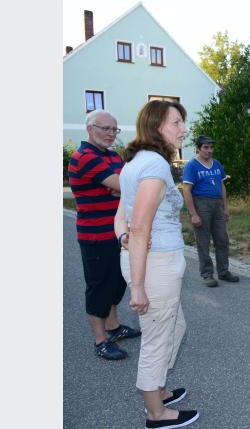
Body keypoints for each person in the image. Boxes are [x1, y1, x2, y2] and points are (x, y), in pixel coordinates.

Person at [115, 100, 199, 428]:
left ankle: (159, 389)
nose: (184, 129)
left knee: (174, 328)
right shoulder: (154, 166)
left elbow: (122, 217)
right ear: (156, 127)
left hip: (149, 260)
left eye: (182, 122)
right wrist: (136, 287)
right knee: (157, 337)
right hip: (155, 266)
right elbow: (139, 226)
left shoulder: (137, 162)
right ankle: (155, 412)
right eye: (176, 123)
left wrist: (124, 238)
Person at [68, 109, 141, 360]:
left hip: (117, 231)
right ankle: (101, 340)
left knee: (117, 282)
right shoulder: (84, 157)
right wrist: (122, 189)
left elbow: (126, 185)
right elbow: (127, 186)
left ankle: (114, 327)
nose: (111, 134)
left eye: (114, 129)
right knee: (98, 286)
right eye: (105, 128)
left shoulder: (111, 155)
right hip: (95, 235)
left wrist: (121, 189)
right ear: (90, 129)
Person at [182, 135, 238, 287]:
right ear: (198, 148)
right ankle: (207, 274)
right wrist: (193, 214)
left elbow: (222, 186)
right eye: (206, 147)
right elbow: (187, 190)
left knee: (222, 239)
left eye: (211, 147)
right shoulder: (192, 166)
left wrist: (225, 207)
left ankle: (223, 271)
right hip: (201, 203)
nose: (209, 150)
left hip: (217, 204)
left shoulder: (217, 164)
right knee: (203, 241)